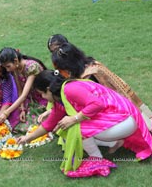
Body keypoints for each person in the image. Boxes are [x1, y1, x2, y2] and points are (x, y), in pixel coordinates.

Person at [17, 70, 152, 177]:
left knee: (74, 127)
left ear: (49, 89)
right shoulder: (60, 99)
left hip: (126, 120)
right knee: (66, 126)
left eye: (42, 94)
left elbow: (97, 104)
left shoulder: (69, 89)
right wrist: (27, 139)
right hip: (121, 120)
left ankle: (96, 158)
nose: (43, 98)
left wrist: (74, 118)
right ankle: (113, 143)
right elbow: (49, 125)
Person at [50, 40, 152, 130]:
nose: (59, 71)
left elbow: (98, 104)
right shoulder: (91, 63)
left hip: (121, 108)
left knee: (81, 127)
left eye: (60, 68)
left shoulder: (88, 76)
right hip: (126, 100)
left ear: (69, 65)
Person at [0, 47, 47, 132]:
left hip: (44, 99)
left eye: (8, 66)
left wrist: (6, 112)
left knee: (34, 126)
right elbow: (20, 90)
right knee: (15, 124)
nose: (7, 70)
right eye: (5, 67)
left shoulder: (32, 67)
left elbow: (23, 95)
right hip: (30, 100)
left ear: (16, 61)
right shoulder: (15, 69)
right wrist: (22, 109)